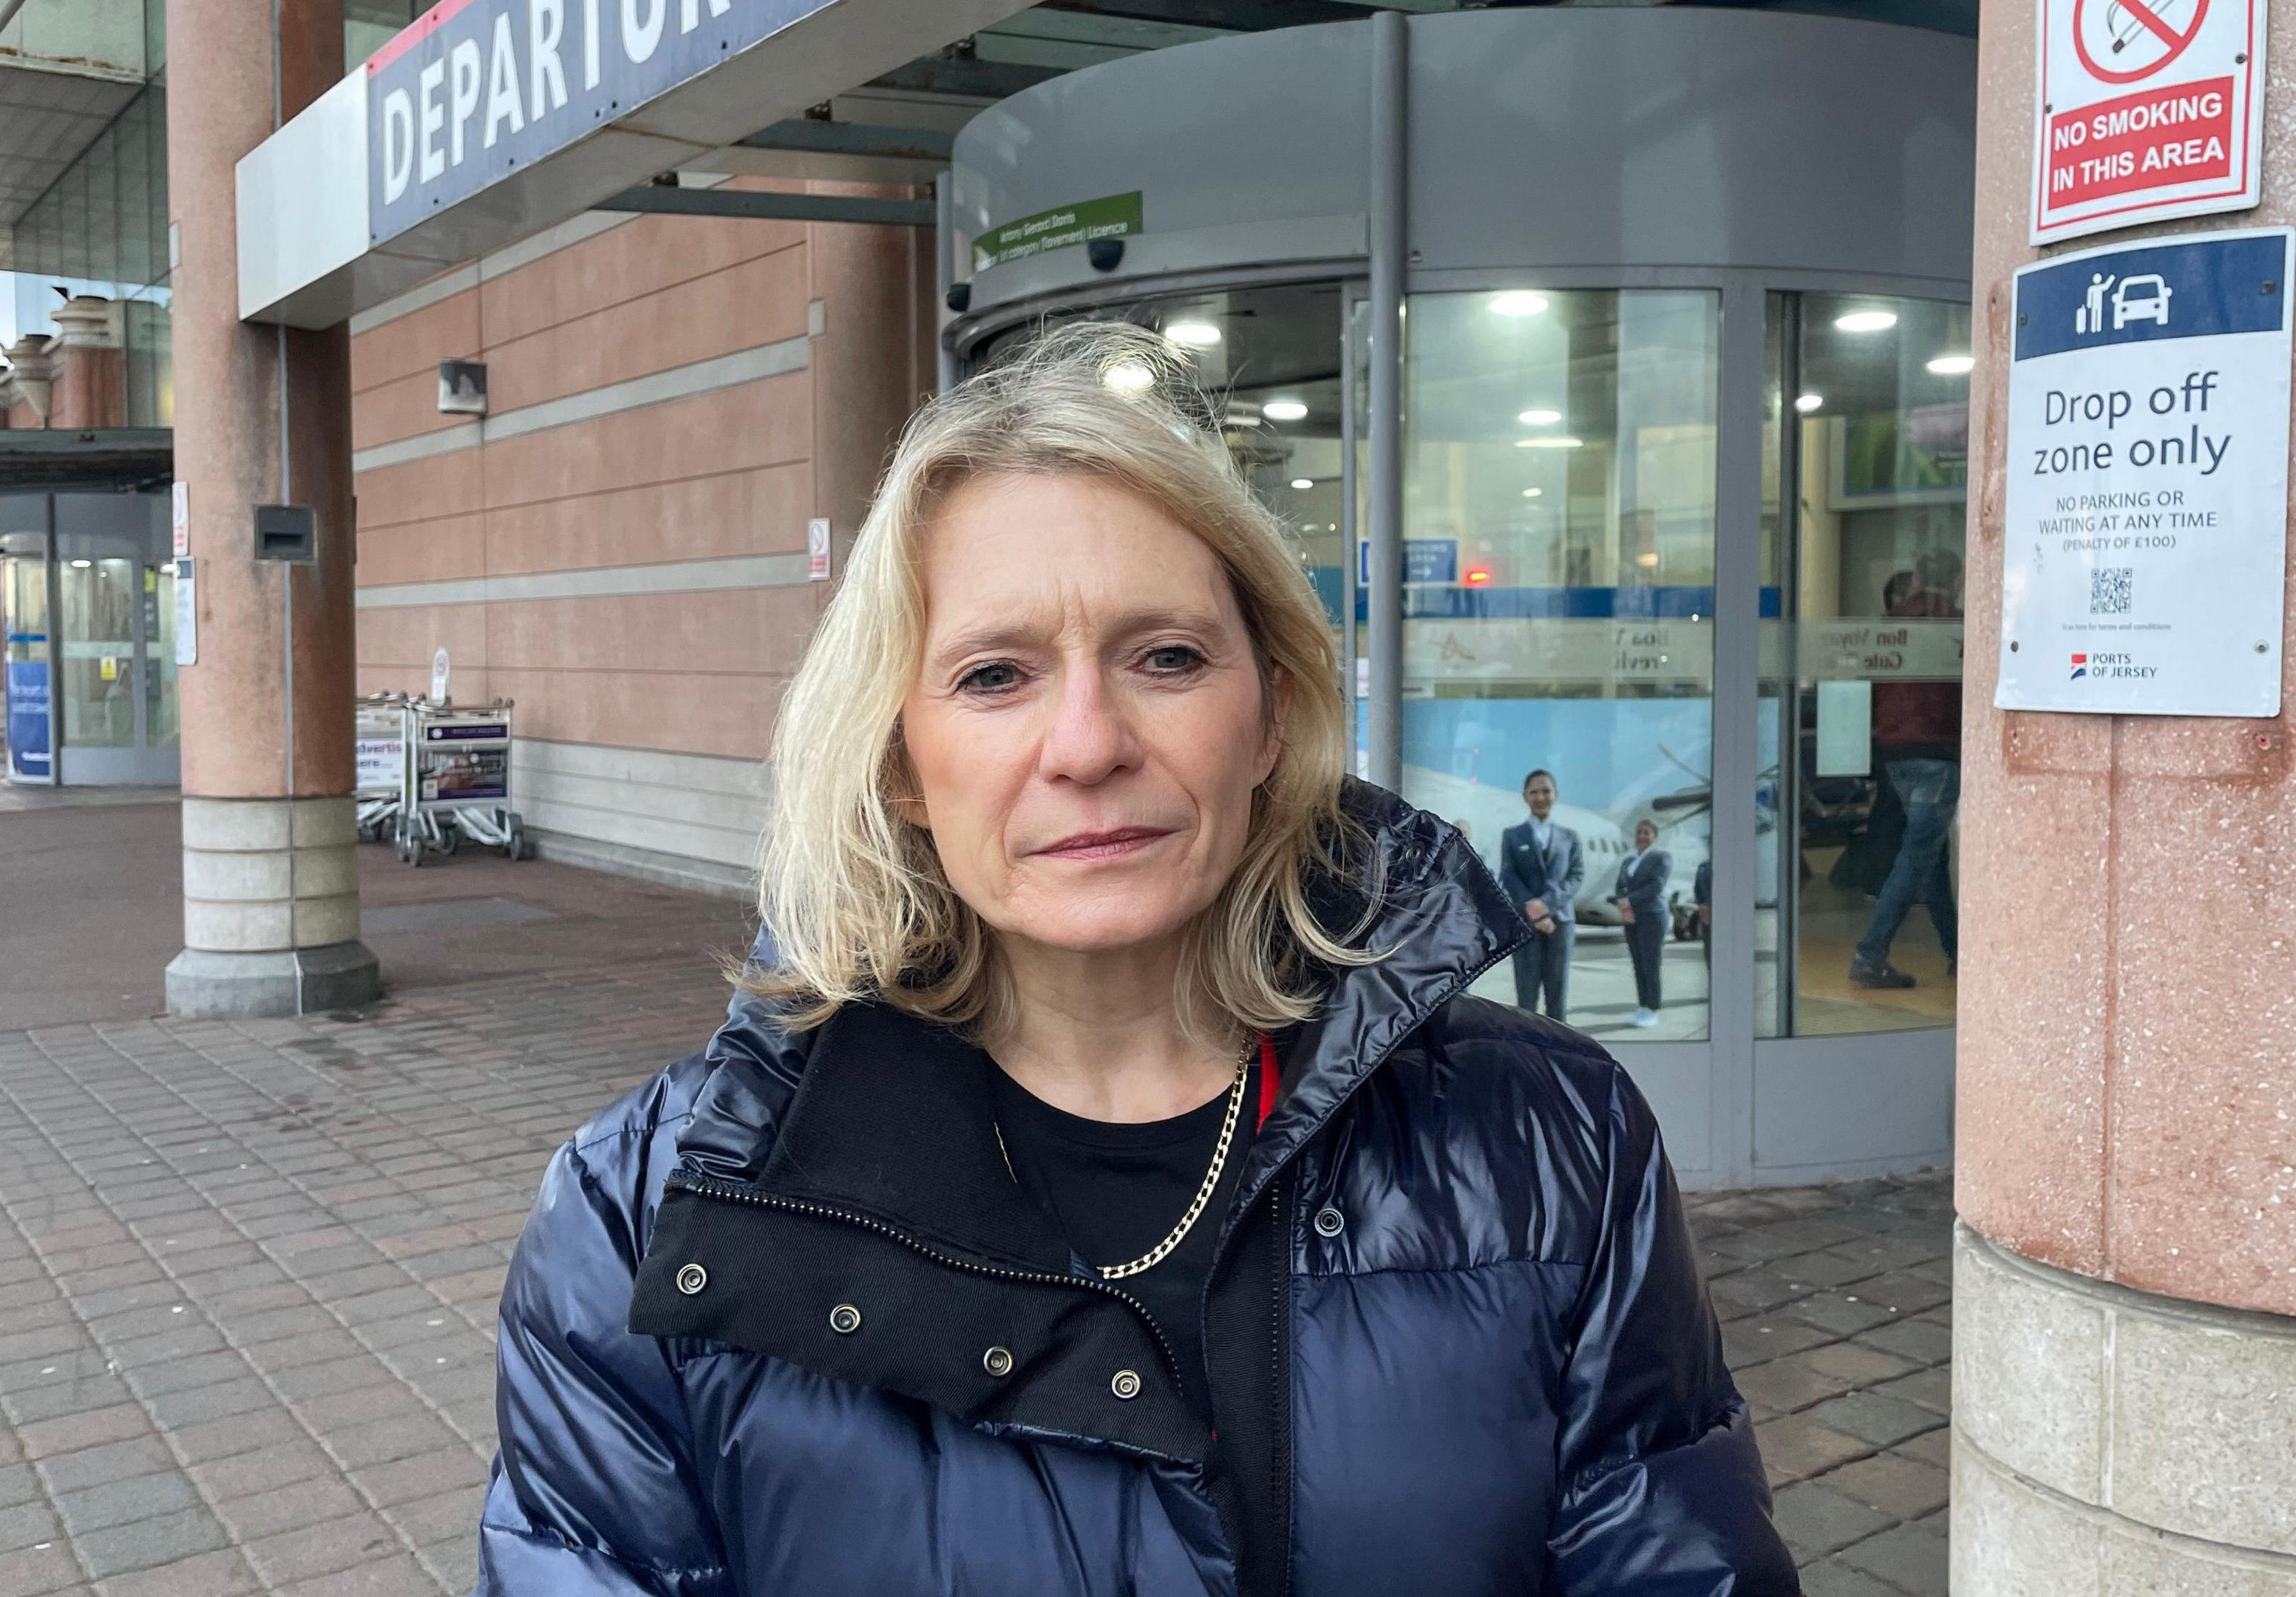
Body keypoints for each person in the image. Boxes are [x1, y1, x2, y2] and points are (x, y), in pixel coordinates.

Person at [472, 323, 1796, 1597]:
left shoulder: (1554, 1147)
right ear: (902, 767)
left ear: (1272, 715)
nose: (1089, 742)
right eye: (995, 677)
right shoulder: (649, 1219)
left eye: (1166, 657)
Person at [1852, 562, 1960, 989]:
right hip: (1937, 751)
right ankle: (1870, 955)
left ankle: (1957, 951)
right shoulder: (1953, 625)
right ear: (1958, 581)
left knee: (1930, 855)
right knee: (1918, 853)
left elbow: (1876, 684)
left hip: (1895, 752)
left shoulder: (1891, 626)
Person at [1498, 769, 1583, 1023]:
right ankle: (1528, 1050)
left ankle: (1560, 1047)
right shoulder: (1512, 835)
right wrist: (1532, 909)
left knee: (1557, 993)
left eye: (1546, 791)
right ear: (1525, 797)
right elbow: (1509, 875)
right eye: (1534, 792)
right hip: (1525, 923)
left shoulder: (1570, 837)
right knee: (1526, 994)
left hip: (1561, 922)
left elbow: (1576, 876)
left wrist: (1545, 905)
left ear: (1555, 795)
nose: (1540, 796)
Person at [1610, 817, 1673, 1027]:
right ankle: (1643, 1004)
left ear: (1654, 836)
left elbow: (1656, 886)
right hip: (1631, 916)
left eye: (1647, 833)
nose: (1642, 836)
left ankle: (1653, 1008)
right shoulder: (1628, 861)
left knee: (1651, 963)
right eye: (1639, 833)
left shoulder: (1662, 857)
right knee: (1638, 963)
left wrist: (1628, 901)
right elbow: (1620, 885)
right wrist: (1624, 905)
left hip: (1652, 915)